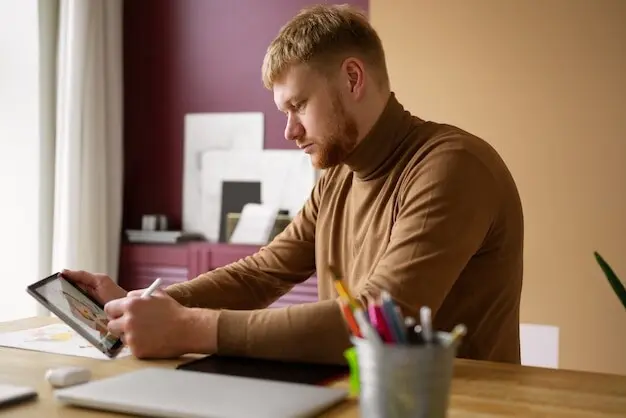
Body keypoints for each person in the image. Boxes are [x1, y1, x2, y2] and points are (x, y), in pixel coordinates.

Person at [63, 4, 524, 364]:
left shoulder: (452, 167)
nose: (289, 131)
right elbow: (262, 272)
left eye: (299, 105)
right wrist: (142, 303)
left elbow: (377, 320)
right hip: (366, 397)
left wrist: (190, 329)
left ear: (352, 78)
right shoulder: (337, 177)